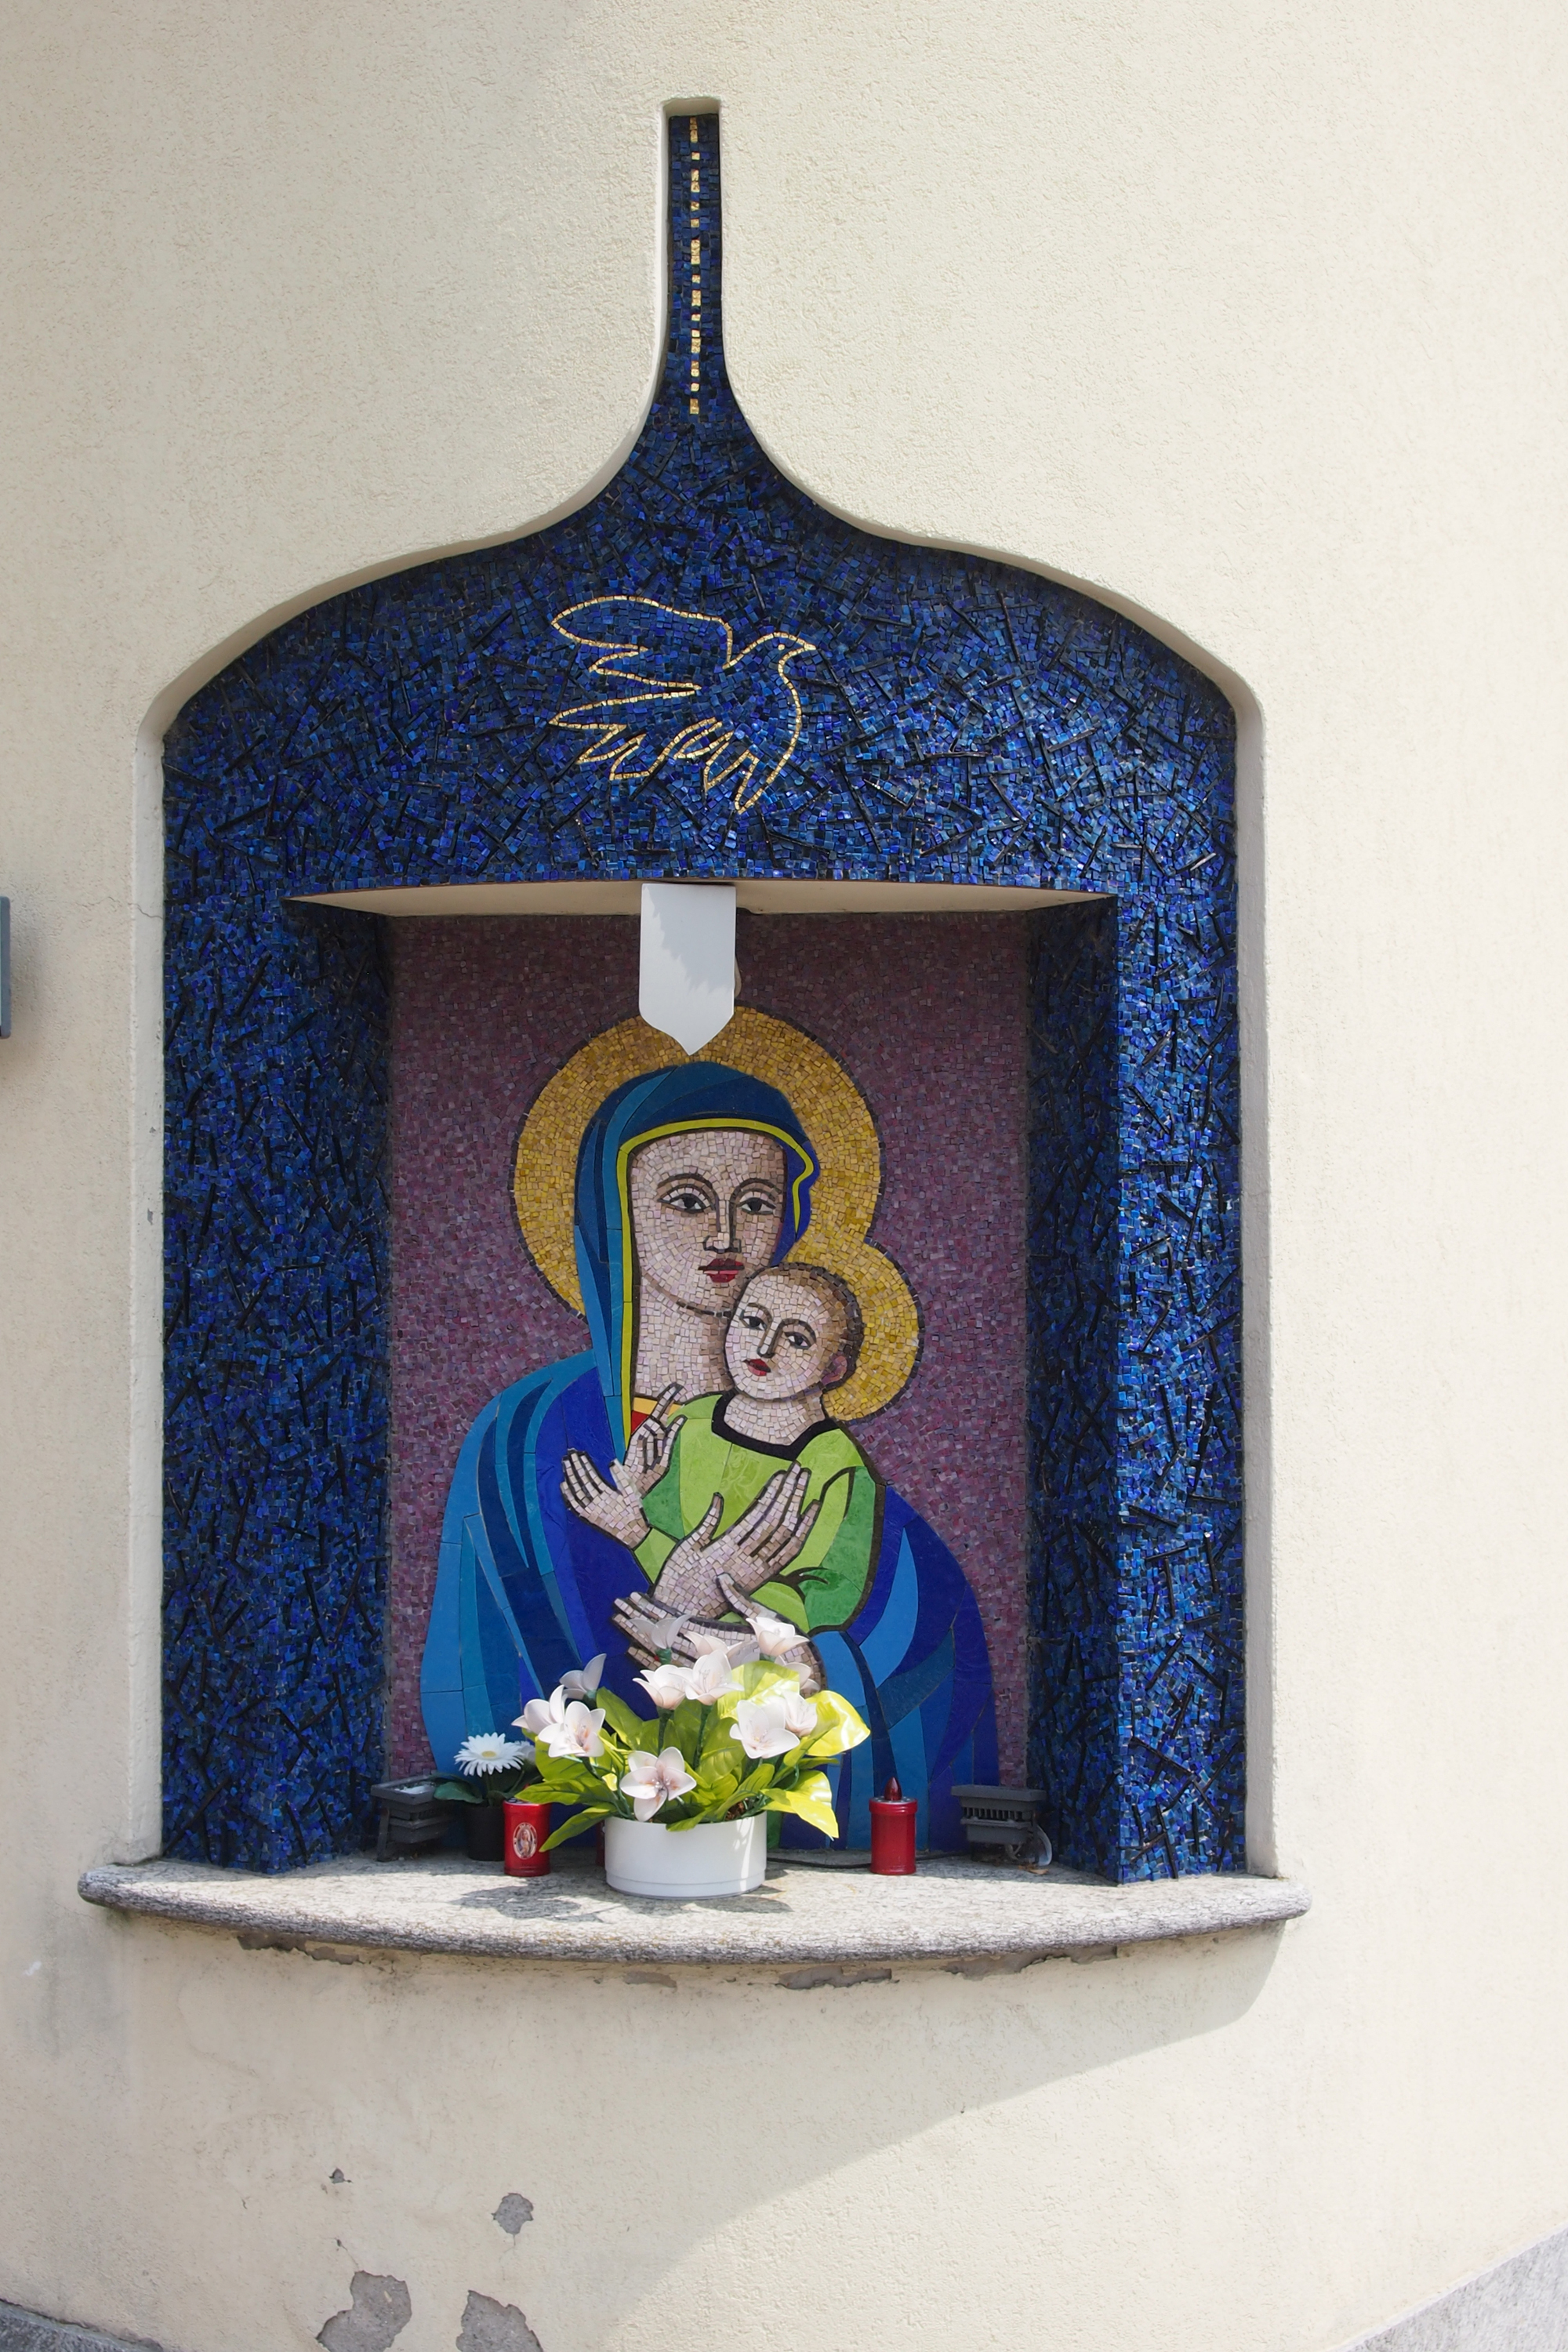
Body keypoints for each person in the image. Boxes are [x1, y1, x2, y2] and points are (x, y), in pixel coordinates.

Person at [420, 1058, 996, 1848]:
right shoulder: (523, 1432)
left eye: (755, 1203)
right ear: (615, 1210)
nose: (725, 1236)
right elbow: (479, 1653)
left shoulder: (828, 1462)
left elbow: (920, 1632)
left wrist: (789, 1657)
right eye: (686, 1200)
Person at [560, 1262, 881, 1679]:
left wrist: (645, 1540)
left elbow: (828, 1596)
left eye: (797, 1340)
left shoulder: (839, 1468)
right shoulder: (690, 1421)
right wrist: (635, 1506)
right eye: (753, 1322)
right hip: (646, 1641)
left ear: (834, 1369)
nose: (765, 1347)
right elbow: (656, 1547)